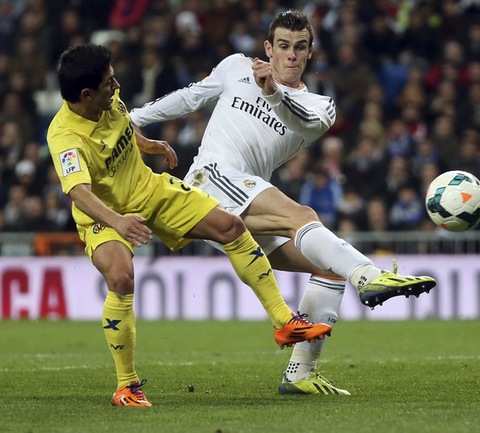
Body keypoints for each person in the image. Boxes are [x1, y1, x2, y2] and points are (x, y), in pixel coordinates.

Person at [131, 10, 436, 396]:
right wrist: (135, 118)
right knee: (303, 215)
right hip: (211, 179)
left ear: (310, 52)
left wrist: (273, 92)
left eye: (300, 47)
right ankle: (369, 276)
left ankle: (300, 373)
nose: (291, 54)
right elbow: (191, 96)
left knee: (329, 268)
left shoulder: (320, 106)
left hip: (245, 198)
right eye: (284, 46)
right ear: (268, 48)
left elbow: (300, 122)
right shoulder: (236, 67)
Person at [46, 43, 333, 407]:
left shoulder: (107, 100)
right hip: (105, 214)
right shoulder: (65, 138)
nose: (116, 86)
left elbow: (121, 125)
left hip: (150, 190)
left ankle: (283, 321)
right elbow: (79, 193)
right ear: (86, 94)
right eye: (108, 83)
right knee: (120, 278)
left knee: (230, 227)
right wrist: (118, 221)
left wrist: (148, 144)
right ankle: (127, 386)